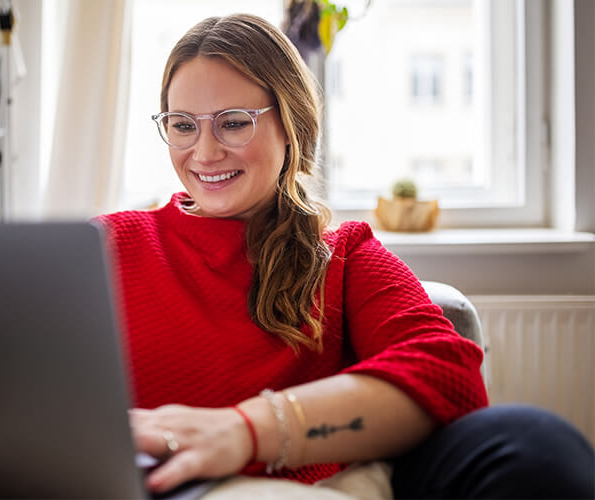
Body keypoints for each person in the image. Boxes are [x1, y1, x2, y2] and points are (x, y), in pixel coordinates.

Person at [98, 13, 595, 499]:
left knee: (535, 440)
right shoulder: (105, 247)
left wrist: (246, 431)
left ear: (291, 126)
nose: (204, 153)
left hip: (307, 490)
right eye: (183, 125)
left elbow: (450, 374)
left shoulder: (342, 256)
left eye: (233, 123)